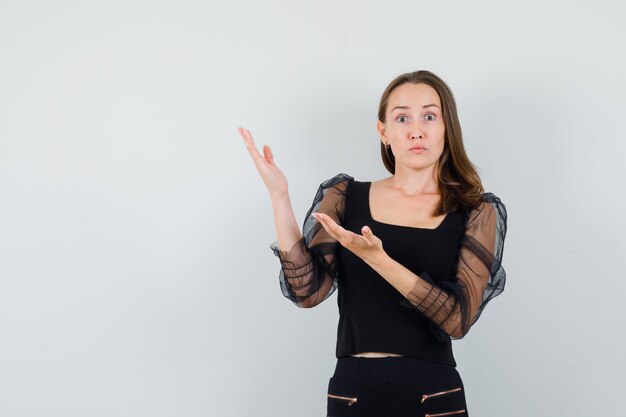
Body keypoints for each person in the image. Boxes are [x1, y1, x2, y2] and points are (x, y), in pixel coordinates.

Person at [238, 70, 507, 417]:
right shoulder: (345, 196)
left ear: (446, 127)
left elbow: (456, 319)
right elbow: (307, 292)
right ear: (383, 131)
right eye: (402, 117)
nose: (416, 130)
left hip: (433, 392)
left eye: (429, 115)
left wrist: (378, 260)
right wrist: (279, 196)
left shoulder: (475, 210)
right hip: (355, 390)